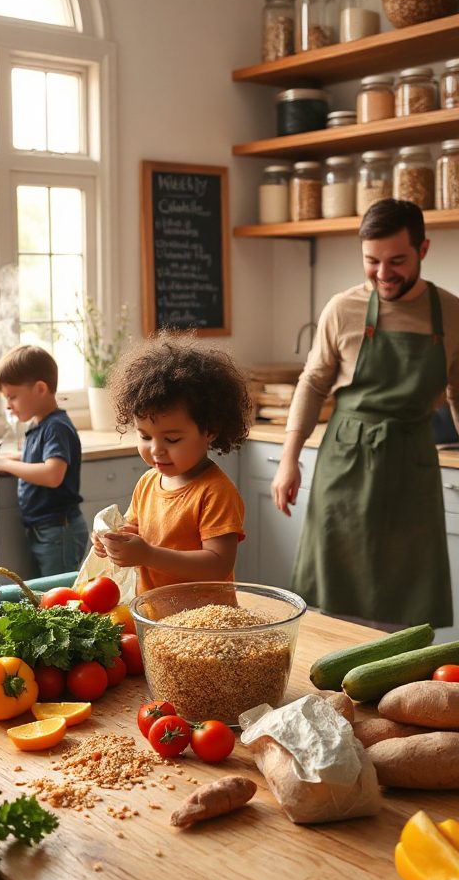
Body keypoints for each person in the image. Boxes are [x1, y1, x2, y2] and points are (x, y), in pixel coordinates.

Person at [271, 198, 459, 630]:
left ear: (423, 250)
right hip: (345, 463)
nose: (382, 274)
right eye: (371, 261)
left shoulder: (450, 312)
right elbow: (313, 382)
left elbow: (458, 392)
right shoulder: (343, 309)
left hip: (412, 465)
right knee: (335, 598)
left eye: (397, 261)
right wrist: (288, 460)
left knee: (407, 604)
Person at [91, 332, 253, 593]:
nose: (156, 450)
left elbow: (218, 564)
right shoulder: (147, 482)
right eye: (144, 436)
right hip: (154, 619)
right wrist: (113, 542)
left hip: (201, 623)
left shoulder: (215, 492)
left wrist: (148, 555)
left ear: (210, 430)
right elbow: (134, 532)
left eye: (173, 439)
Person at [0, 345, 89, 576]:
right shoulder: (40, 423)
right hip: (47, 529)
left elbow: (52, 474)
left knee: (59, 597)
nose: (8, 405)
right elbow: (40, 457)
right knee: (47, 594)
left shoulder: (56, 427)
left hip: (59, 530)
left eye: (12, 397)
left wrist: (5, 465)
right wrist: (6, 457)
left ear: (40, 388)